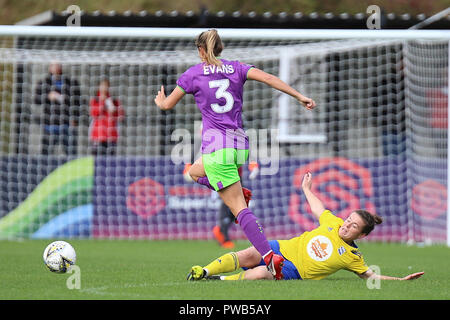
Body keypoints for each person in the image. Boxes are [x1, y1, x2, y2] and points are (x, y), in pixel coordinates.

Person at [155, 29, 316, 280]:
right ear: (220, 49)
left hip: (217, 147)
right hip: (240, 145)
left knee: (239, 209)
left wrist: (161, 101)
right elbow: (270, 78)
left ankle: (270, 258)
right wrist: (299, 96)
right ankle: (239, 195)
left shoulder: (193, 74)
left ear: (200, 50)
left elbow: (167, 105)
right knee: (193, 171)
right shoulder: (237, 68)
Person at [187, 172, 425, 281]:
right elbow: (318, 209)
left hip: (295, 270)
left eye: (353, 227)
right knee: (249, 253)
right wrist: (307, 190)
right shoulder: (334, 223)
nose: (346, 226)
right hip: (283, 247)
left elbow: (370, 275)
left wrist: (401, 281)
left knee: (259, 273)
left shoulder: (352, 257)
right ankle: (204, 272)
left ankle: (217, 282)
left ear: (361, 235)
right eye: (348, 220)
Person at [34, 62, 81, 156]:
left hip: (66, 124)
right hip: (50, 125)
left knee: (71, 153)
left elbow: (77, 102)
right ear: (50, 67)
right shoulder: (44, 83)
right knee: (45, 154)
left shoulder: (71, 82)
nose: (56, 67)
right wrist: (47, 96)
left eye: (58, 64)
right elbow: (36, 100)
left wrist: (75, 119)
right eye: (53, 65)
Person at [89, 78, 124, 156]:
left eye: (106, 86)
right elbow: (93, 113)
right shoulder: (95, 100)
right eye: (103, 85)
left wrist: (113, 109)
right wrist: (102, 104)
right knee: (97, 159)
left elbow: (121, 116)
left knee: (110, 160)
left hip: (111, 136)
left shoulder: (114, 101)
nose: (104, 88)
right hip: (98, 135)